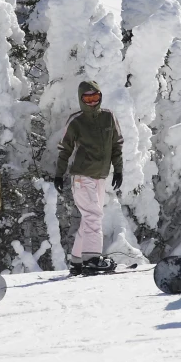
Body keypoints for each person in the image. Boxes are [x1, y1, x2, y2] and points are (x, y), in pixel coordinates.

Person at [52, 80, 124, 275]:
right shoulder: (76, 121)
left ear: (100, 97)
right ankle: (92, 259)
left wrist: (118, 170)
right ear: (81, 99)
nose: (92, 102)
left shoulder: (109, 117)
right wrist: (58, 175)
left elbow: (117, 146)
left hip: (100, 176)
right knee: (93, 217)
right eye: (88, 98)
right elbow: (64, 150)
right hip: (82, 177)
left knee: (88, 218)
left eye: (95, 97)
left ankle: (77, 262)